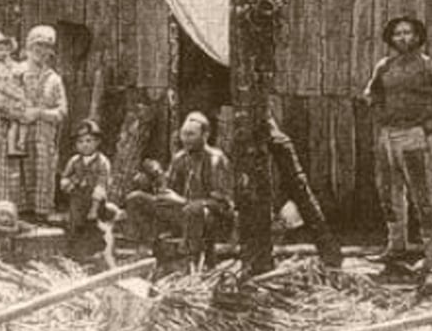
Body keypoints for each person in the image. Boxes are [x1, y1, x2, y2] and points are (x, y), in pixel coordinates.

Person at [362, 16, 432, 272]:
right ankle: (395, 247)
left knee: (422, 195)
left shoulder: (430, 66)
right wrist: (378, 108)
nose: (403, 38)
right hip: (388, 136)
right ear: (391, 38)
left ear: (418, 37)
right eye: (398, 33)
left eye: (408, 33)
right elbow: (370, 92)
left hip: (415, 137)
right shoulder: (384, 66)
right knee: (389, 193)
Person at [237, 114, 344, 274]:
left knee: (300, 192)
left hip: (263, 133)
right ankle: (258, 257)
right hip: (253, 133)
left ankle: (330, 252)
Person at [125, 112, 234, 268]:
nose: (186, 139)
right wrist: (157, 184)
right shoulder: (180, 158)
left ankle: (191, 260)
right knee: (135, 199)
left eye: (191, 134)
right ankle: (148, 250)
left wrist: (185, 201)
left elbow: (225, 204)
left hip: (210, 219)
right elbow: (169, 191)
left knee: (194, 209)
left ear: (206, 135)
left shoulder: (216, 160)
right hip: (182, 213)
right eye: (184, 134)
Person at [0, 25, 67, 220]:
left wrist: (38, 113)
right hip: (11, 136)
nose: (42, 51)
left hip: (41, 138)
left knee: (40, 178)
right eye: (38, 45)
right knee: (11, 186)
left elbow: (62, 111)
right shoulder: (13, 71)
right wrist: (17, 113)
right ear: (29, 46)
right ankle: (9, 219)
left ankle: (39, 218)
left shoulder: (54, 79)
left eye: (47, 47)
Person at [60, 119, 112, 235]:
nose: (85, 145)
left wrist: (94, 207)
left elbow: (102, 183)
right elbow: (65, 177)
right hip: (77, 196)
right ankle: (74, 238)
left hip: (95, 199)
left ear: (97, 142)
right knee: (75, 221)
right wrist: (67, 184)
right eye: (80, 141)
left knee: (94, 224)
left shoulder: (102, 161)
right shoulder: (74, 161)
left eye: (89, 141)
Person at [0, 31, 29, 157]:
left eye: (5, 50)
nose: (3, 52)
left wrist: (26, 65)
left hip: (8, 97)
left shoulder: (7, 62)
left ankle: (16, 145)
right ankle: (17, 144)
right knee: (20, 116)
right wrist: (16, 94)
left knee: (17, 120)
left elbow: (17, 69)